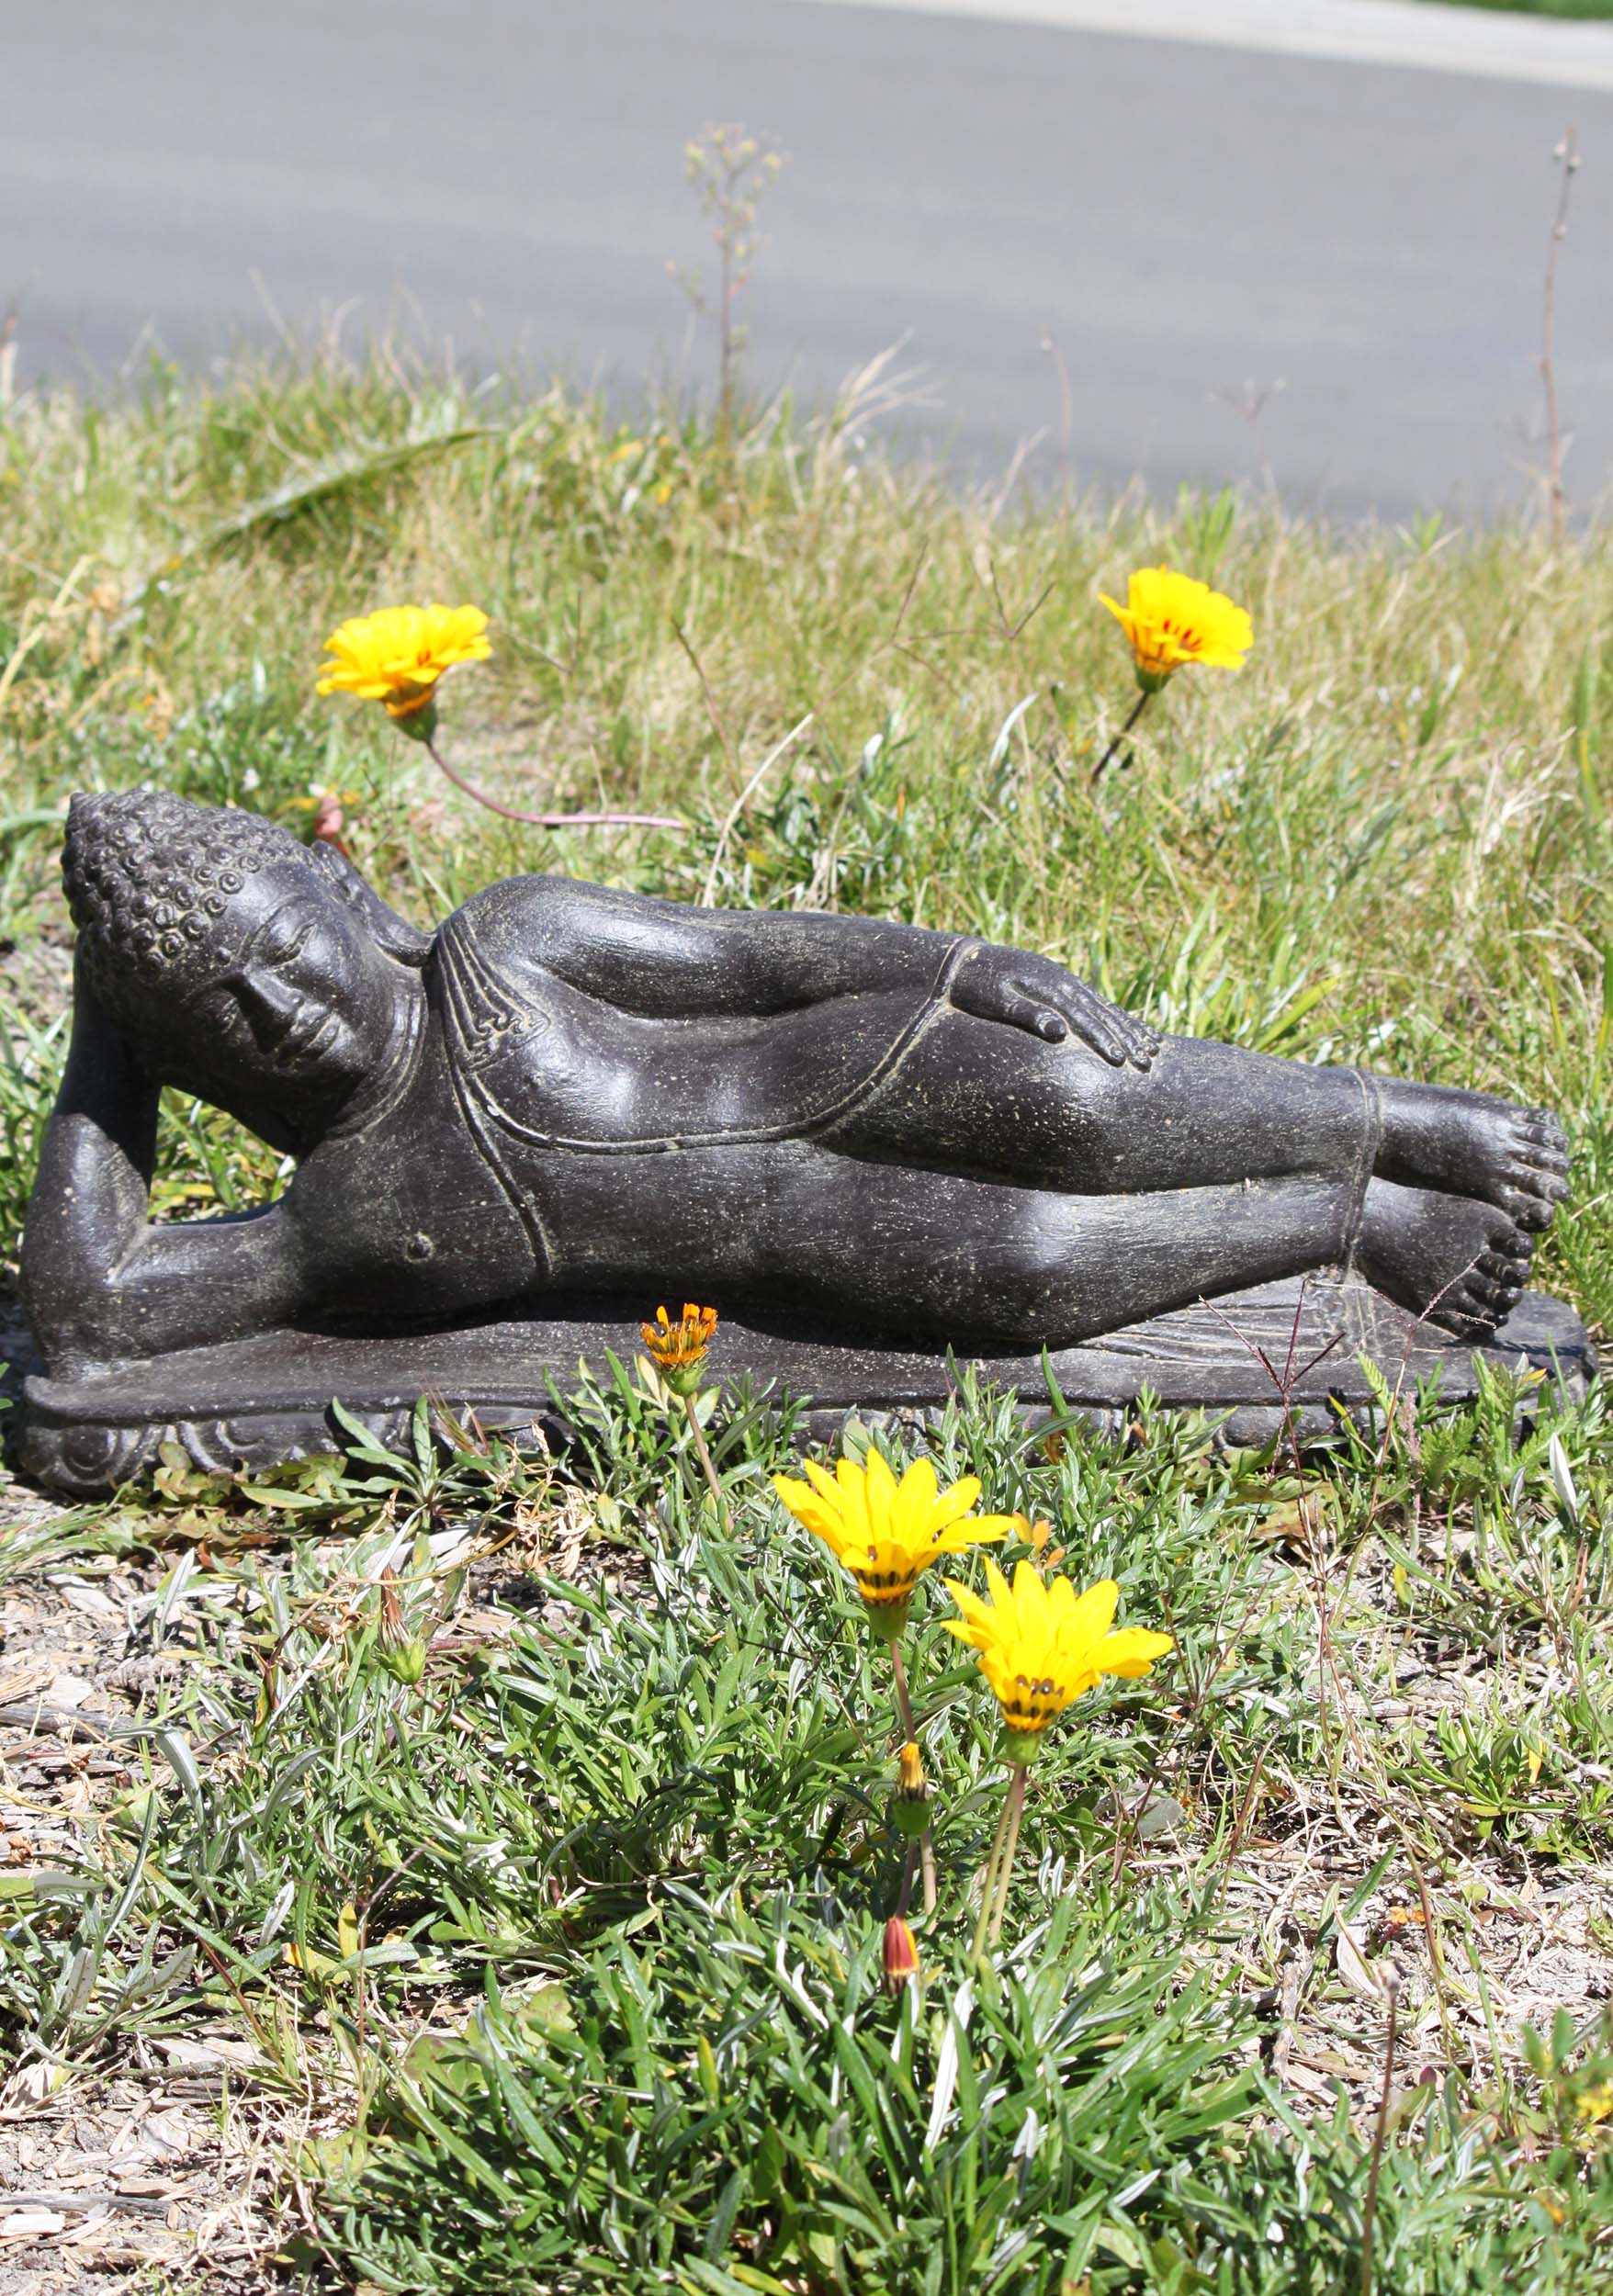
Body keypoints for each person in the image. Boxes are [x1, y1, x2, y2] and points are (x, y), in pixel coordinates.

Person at [23, 790, 1568, 1375]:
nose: (281, 1007)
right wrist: (110, 1032)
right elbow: (94, 1313)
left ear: (350, 906)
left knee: (1084, 1108)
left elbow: (755, 958)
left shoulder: (505, 942)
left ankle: (1408, 1120)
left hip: (847, 1063)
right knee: (1031, 1273)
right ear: (192, 1063)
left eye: (288, 950)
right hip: (798, 1241)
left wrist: (962, 966)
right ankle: (1348, 1225)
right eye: (223, 1018)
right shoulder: (351, 1216)